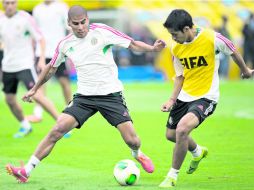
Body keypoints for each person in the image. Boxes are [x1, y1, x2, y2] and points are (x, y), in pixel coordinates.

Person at [6, 5, 166, 183]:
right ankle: (26, 170)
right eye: (76, 24)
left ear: (88, 20)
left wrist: (152, 49)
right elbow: (51, 68)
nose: (81, 27)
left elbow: (133, 44)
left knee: (133, 140)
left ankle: (137, 154)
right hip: (84, 98)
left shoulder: (103, 32)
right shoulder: (65, 44)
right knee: (57, 130)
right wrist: (35, 88)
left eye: (83, 22)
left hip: (110, 95)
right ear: (69, 24)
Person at [159, 9, 254, 188]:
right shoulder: (176, 48)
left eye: (175, 34)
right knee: (171, 135)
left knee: (181, 130)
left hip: (206, 97)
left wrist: (244, 70)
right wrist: (171, 100)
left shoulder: (212, 38)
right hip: (185, 96)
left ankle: (172, 176)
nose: (173, 38)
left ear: (187, 29)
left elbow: (233, 50)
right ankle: (197, 151)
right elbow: (180, 76)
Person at [0, 0, 59, 138]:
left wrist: (42, 59)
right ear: (2, 3)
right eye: (6, 3)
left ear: (17, 3)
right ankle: (25, 126)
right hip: (8, 66)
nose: (9, 6)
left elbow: (40, 38)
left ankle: (61, 124)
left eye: (12, 3)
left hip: (24, 64)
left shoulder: (25, 18)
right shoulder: (1, 20)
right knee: (9, 99)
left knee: (37, 95)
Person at [27, 0, 72, 123]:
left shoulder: (62, 7)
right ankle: (38, 113)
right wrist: (32, 51)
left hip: (59, 51)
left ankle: (70, 110)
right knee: (41, 82)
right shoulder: (37, 9)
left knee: (64, 82)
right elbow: (34, 32)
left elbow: (70, 28)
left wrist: (71, 48)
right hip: (41, 52)